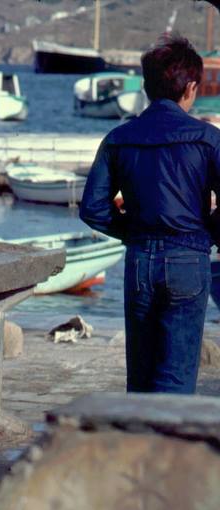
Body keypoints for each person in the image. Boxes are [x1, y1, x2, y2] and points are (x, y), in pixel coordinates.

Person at [79, 34, 220, 394]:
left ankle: (140, 447)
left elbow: (93, 209)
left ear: (146, 87)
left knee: (140, 379)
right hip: (189, 258)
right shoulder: (208, 138)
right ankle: (168, 448)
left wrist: (134, 231)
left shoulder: (118, 138)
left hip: (140, 260)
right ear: (191, 87)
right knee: (175, 379)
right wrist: (209, 232)